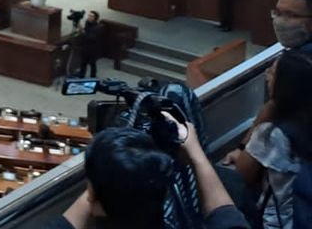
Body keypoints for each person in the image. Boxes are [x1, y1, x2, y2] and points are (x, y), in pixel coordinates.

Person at [48, 122, 250, 229]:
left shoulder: (99, 204)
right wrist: (195, 152)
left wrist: (115, 169)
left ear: (98, 206)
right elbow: (226, 217)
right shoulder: (152, 191)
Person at [232, 49, 312, 229]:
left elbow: (242, 172)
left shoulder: (273, 134)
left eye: (272, 72)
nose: (267, 75)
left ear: (285, 85)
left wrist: (266, 114)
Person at [77, 11, 104, 78]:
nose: (89, 17)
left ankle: (93, 77)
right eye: (88, 15)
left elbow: (92, 38)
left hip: (92, 49)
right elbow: (86, 32)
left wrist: (83, 32)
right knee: (83, 63)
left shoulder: (98, 27)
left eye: (91, 16)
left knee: (92, 64)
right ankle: (81, 75)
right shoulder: (87, 23)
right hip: (84, 47)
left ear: (95, 18)